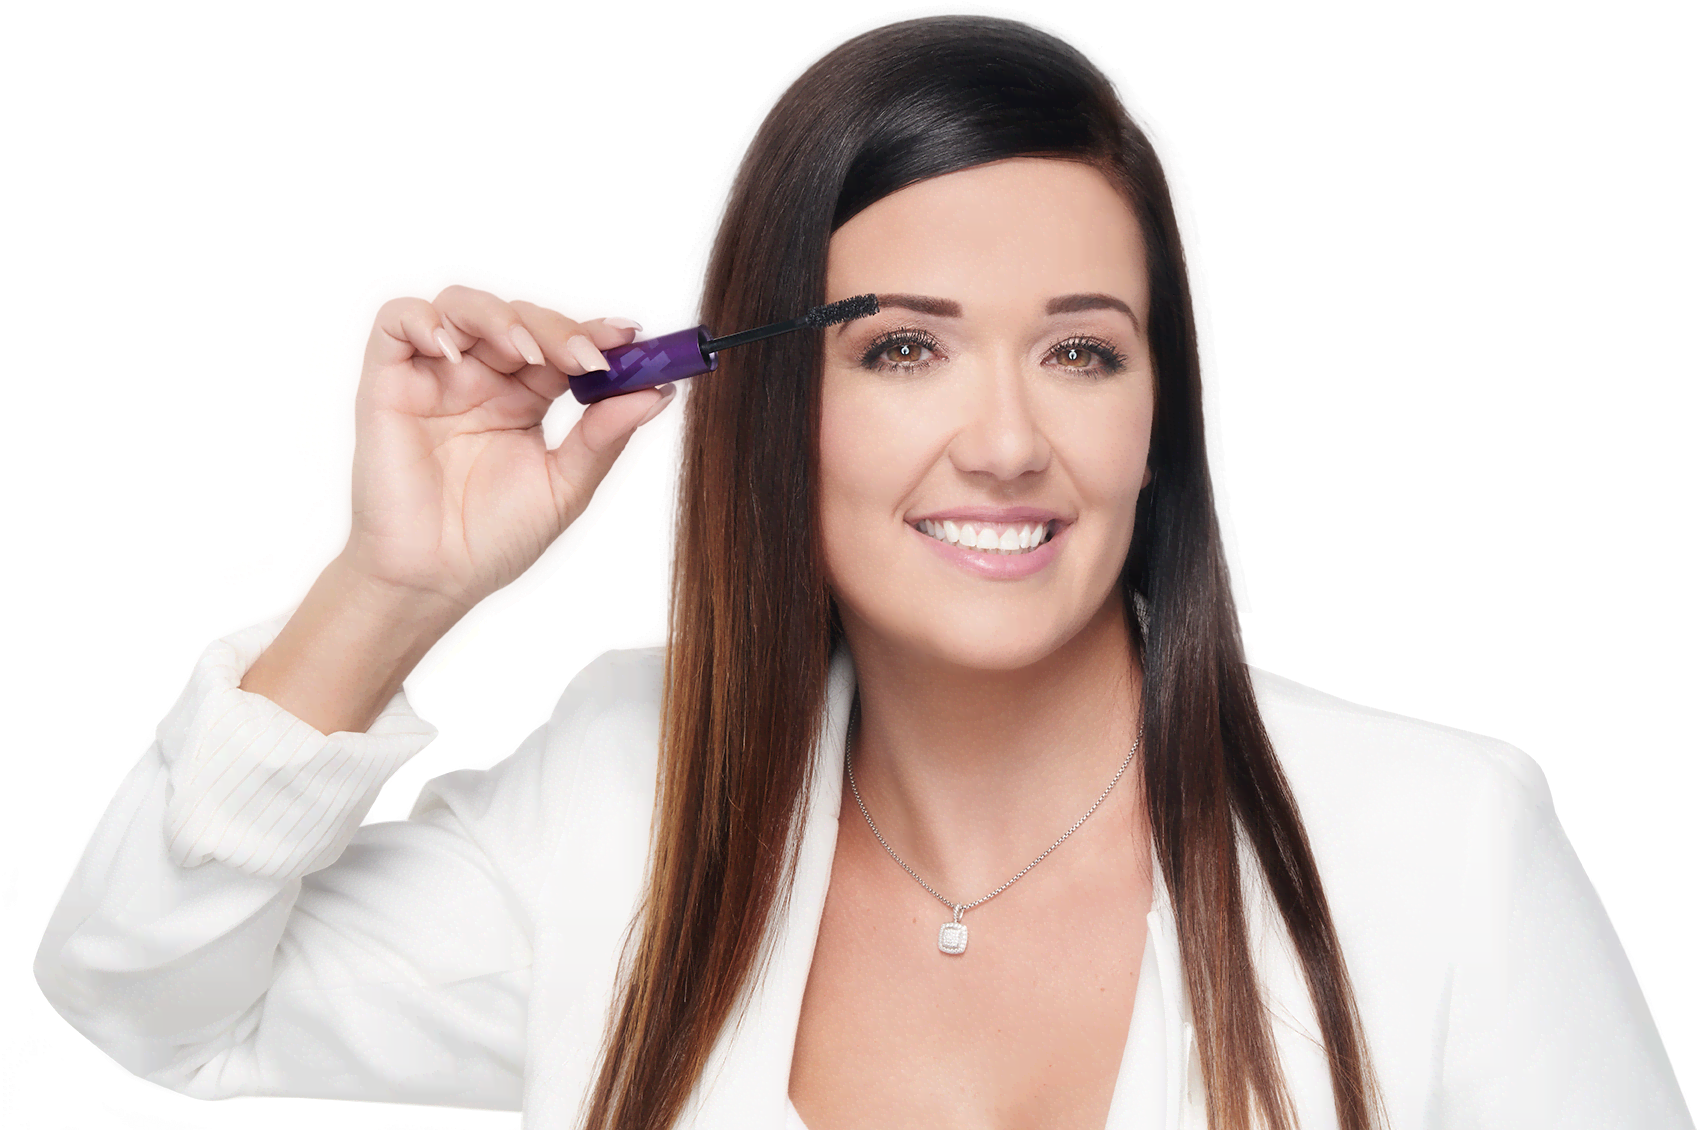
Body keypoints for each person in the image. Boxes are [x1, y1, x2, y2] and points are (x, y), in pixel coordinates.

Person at [30, 8, 1690, 1130]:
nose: (1006, 441)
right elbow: (152, 997)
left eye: (1082, 352)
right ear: (763, 404)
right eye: (903, 348)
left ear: (1160, 418)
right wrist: (391, 588)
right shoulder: (620, 796)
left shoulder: (1439, 846)